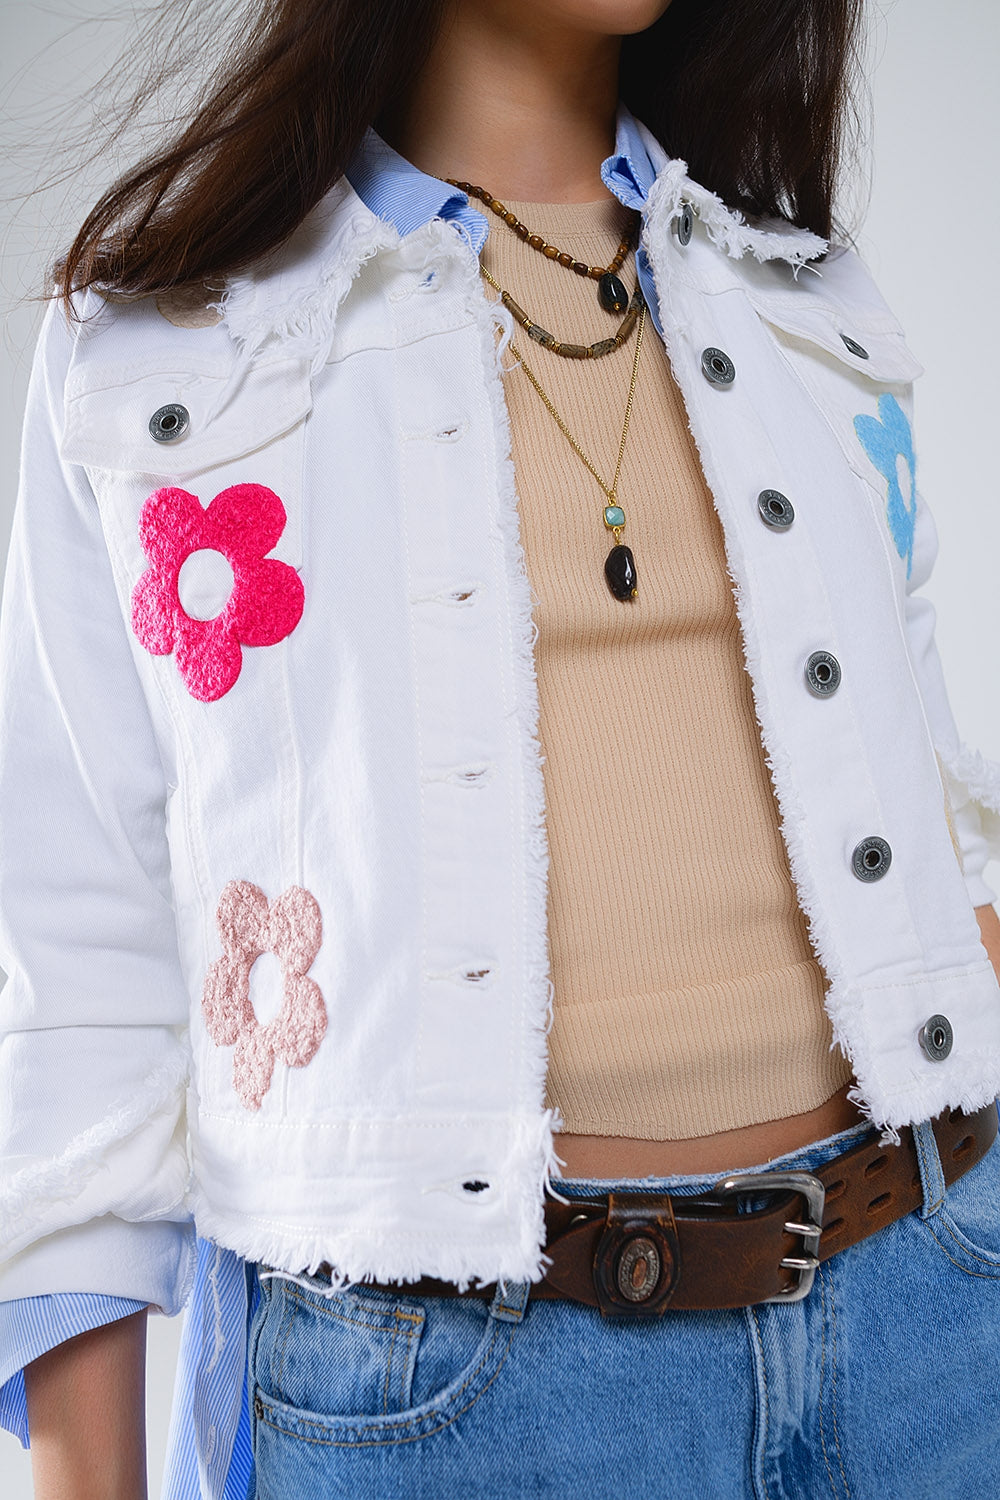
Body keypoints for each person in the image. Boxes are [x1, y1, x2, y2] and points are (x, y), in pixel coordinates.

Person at [2, 0, 1000, 1495]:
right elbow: (73, 966)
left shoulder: (798, 295)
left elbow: (938, 816)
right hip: (446, 1404)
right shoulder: (162, 337)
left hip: (937, 1313)